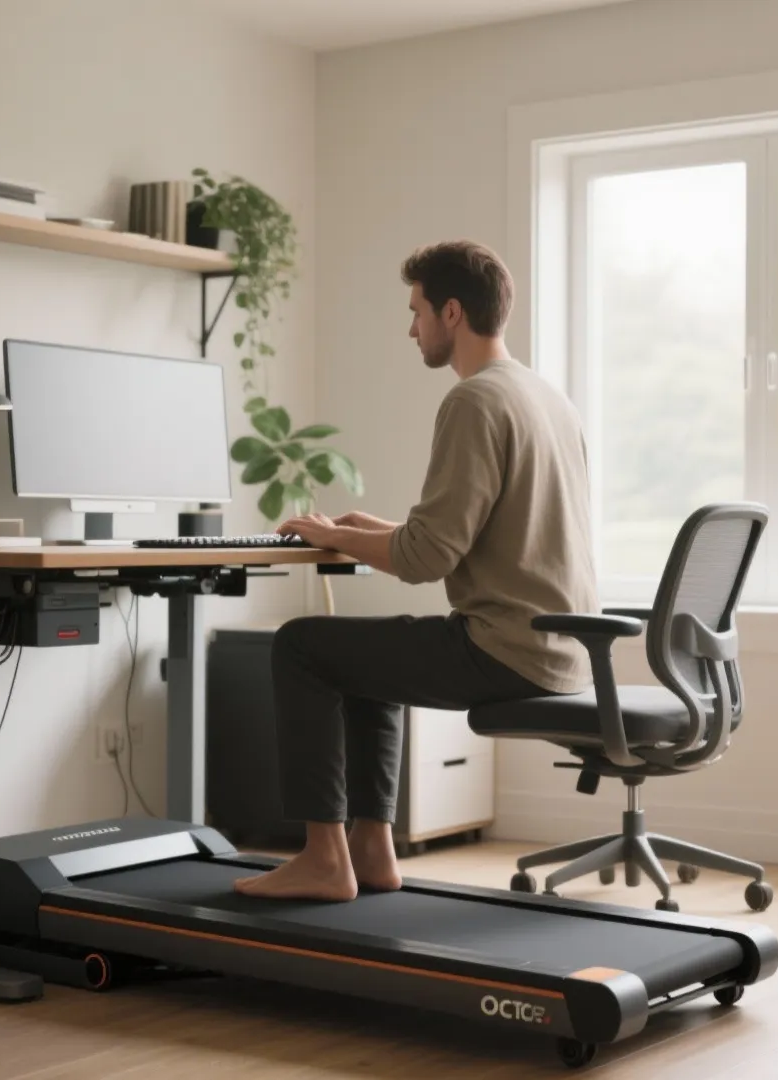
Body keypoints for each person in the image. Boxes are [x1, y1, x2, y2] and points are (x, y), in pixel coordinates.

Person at [232, 240, 597, 902]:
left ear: (451, 313)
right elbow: (474, 537)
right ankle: (371, 850)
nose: (411, 329)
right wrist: (362, 531)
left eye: (417, 311)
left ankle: (323, 857)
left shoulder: (474, 401)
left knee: (300, 646)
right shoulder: (544, 397)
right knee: (365, 661)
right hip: (556, 648)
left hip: (502, 650)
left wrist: (323, 533)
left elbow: (428, 560)